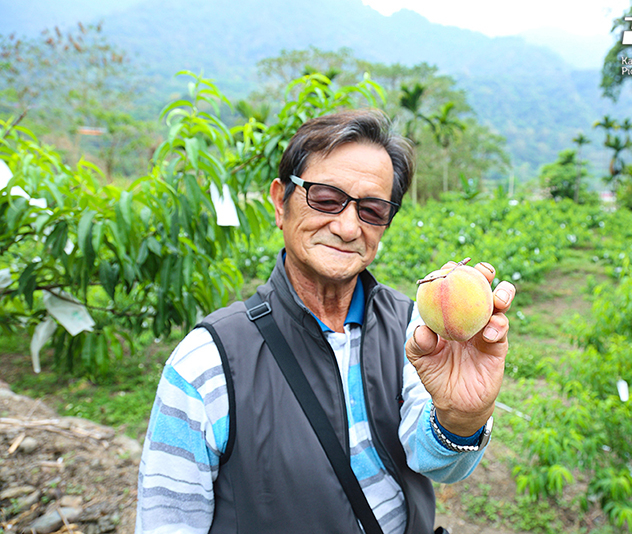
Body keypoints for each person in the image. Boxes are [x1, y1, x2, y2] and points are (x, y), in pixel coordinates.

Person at [135, 109, 516, 534]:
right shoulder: (206, 363)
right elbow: (166, 523)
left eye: (372, 209)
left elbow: (435, 461)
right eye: (326, 198)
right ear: (281, 202)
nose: (348, 226)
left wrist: (461, 417)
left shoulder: (414, 329)